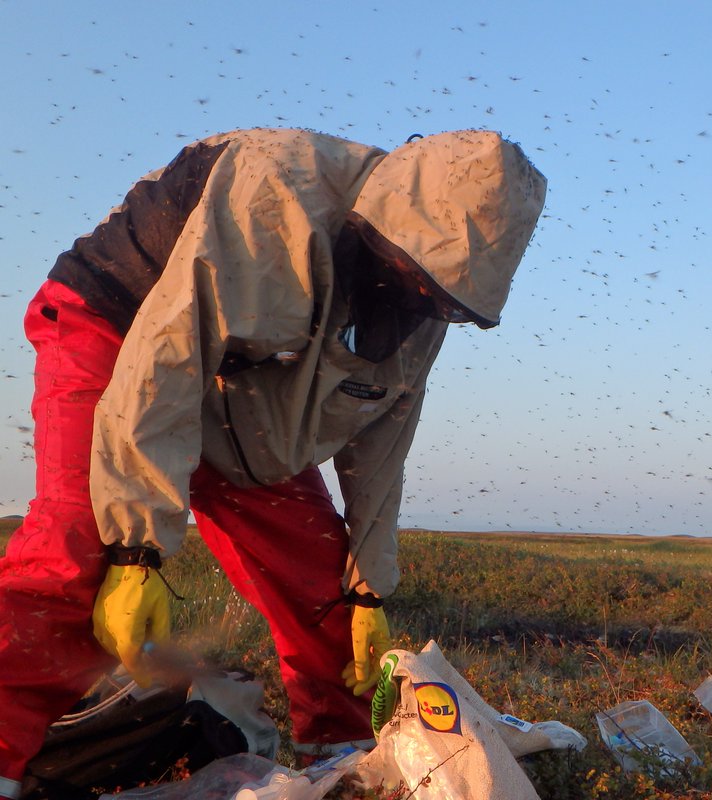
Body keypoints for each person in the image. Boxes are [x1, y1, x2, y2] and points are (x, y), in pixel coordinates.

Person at [0, 127, 547, 796]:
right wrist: (134, 551)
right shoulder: (276, 191)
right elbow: (168, 356)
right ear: (383, 229)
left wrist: (367, 589)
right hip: (117, 324)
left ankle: (342, 762)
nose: (421, 306)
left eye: (444, 303)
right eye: (413, 281)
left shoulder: (426, 304)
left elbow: (382, 443)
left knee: (322, 581)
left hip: (241, 392)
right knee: (76, 557)